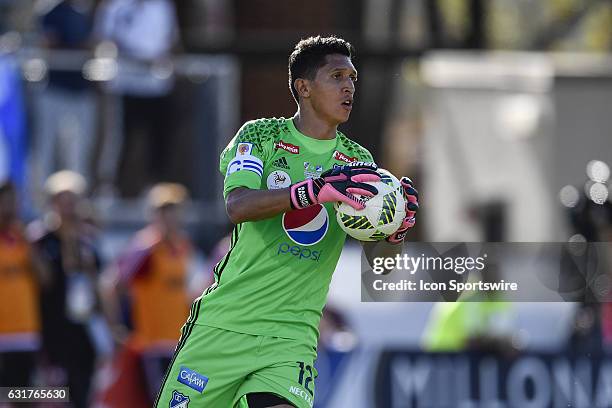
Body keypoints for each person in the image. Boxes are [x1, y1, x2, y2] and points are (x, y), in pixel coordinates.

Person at [155, 36, 419, 408]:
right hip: (224, 326)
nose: (349, 86)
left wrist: (396, 229)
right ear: (304, 87)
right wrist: (313, 191)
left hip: (291, 337)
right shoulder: (260, 136)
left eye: (353, 78)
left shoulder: (360, 163)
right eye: (337, 76)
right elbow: (238, 205)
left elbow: (382, 267)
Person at [100, 182, 198, 403]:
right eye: (164, 210)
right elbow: (112, 285)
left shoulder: (184, 246)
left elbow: (191, 292)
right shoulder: (146, 247)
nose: (170, 216)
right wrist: (116, 327)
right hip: (152, 343)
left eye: (174, 209)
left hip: (180, 340)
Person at [31, 170, 102, 408]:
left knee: (82, 394)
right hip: (50, 332)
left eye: (73, 201)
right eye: (63, 200)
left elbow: (98, 287)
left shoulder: (87, 241)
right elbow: (44, 282)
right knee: (50, 396)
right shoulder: (40, 240)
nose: (69, 207)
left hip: (82, 333)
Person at [0, 181, 46, 389]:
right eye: (6, 201)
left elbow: (45, 278)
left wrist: (27, 243)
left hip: (25, 334)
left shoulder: (23, 238)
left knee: (24, 397)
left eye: (14, 201)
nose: (11, 207)